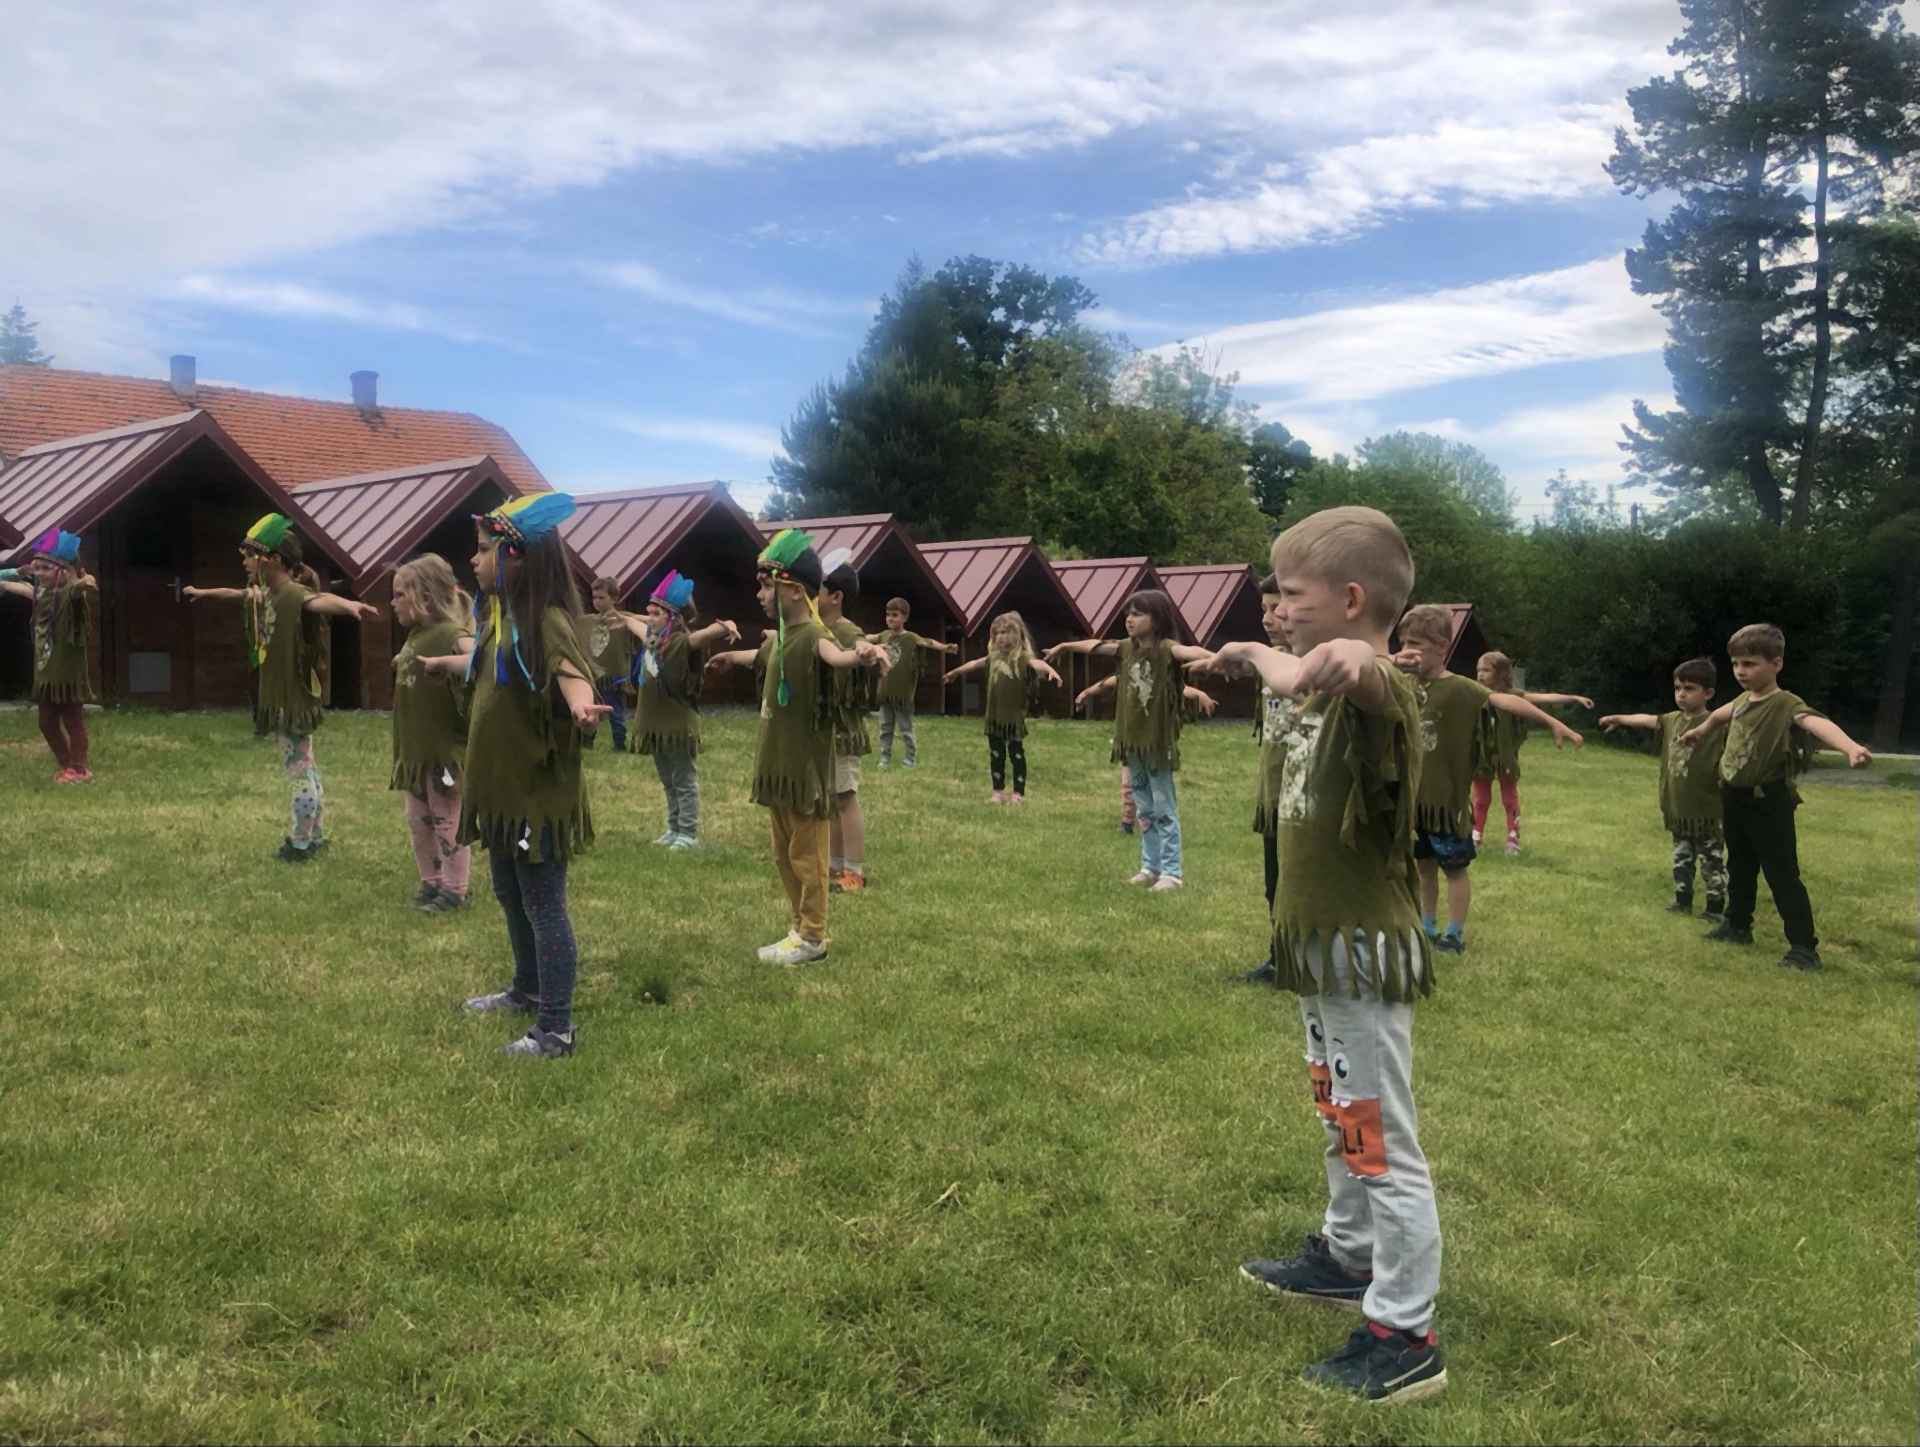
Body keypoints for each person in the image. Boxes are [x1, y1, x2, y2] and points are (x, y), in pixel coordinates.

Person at [1210, 505, 1447, 1405]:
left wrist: (1353, 657)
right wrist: (1252, 651)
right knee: (1341, 1112)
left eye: (1293, 594)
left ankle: (1407, 1332)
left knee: (1379, 1136)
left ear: (1351, 599)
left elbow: (1366, 673)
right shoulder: (1308, 677)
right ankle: (1349, 1256)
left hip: (1360, 950)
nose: (1280, 609)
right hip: (1322, 950)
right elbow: (1289, 669)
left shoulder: (1383, 688)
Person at [418, 493, 608, 1058]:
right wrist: (441, 663)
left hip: (536, 792)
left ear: (517, 557)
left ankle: (556, 1028)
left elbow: (570, 671)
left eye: (483, 550)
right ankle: (527, 989)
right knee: (508, 891)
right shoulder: (498, 620)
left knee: (543, 904)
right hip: (502, 791)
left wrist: (580, 705)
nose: (473, 560)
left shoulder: (547, 620)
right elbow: (485, 665)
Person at [1679, 623, 1873, 971]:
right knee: (1739, 865)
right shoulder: (1742, 700)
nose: (1741, 671)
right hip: (1734, 797)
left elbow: (1815, 722)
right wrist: (1701, 730)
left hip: (1768, 801)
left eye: (1750, 664)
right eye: (1736, 664)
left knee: (1781, 873)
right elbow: (1720, 715)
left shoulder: (1785, 703)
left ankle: (1803, 948)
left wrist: (1850, 747)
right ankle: (1737, 926)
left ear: (1776, 664)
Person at [1391, 604, 1583, 952]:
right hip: (1415, 800)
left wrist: (1554, 722)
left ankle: (1453, 934)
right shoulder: (1401, 682)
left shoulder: (1462, 688)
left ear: (1442, 647)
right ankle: (1426, 926)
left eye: (1415, 644)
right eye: (1403, 643)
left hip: (1446, 805)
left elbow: (1507, 702)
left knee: (1454, 869)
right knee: (1423, 868)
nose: (1407, 651)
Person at [739, 529, 890, 966]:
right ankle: (798, 928)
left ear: (793, 590)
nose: (760, 595)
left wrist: (861, 654)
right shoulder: (782, 637)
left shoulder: (811, 635)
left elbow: (836, 655)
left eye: (766, 585)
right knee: (785, 856)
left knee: (807, 857)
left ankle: (813, 937)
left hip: (804, 771)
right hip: (779, 767)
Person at [1049, 590, 1217, 890]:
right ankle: (1150, 867)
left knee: (1163, 809)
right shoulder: (1125, 649)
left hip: (1157, 744)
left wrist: (1220, 659)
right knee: (1144, 809)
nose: (1130, 619)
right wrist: (1065, 645)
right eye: (1128, 613)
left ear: (1158, 619)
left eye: (1138, 614)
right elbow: (1095, 646)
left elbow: (1191, 652)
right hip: (1132, 743)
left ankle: (1172, 873)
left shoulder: (1167, 650)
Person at [237, 514, 379, 862]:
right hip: (288, 697)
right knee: (306, 766)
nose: (245, 562)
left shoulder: (291, 593)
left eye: (250, 555)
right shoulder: (272, 594)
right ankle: (314, 835)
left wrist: (348, 605)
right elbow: (238, 595)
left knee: (298, 771)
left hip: (291, 700)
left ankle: (301, 842)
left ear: (272, 559)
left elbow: (316, 601)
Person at [1598, 657, 1728, 922]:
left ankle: (1714, 908)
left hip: (1707, 809)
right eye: (1678, 688)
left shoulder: (1717, 724)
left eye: (1689, 688)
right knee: (1682, 856)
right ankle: (1682, 900)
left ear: (1708, 693)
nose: (1681, 694)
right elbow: (1647, 720)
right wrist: (1619, 718)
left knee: (1711, 860)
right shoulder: (1671, 720)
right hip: (1678, 807)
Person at [619, 571, 738, 849]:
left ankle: (688, 832)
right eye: (649, 613)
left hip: (677, 726)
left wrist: (726, 626)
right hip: (655, 725)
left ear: (673, 618)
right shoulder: (651, 639)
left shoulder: (681, 643)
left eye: (657, 614)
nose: (650, 618)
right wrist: (619, 616)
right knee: (668, 780)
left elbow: (705, 635)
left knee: (683, 780)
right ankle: (673, 828)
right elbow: (632, 621)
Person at [389, 554, 474, 912]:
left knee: (445, 819)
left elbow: (480, 659)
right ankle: (431, 882)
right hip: (416, 751)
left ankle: (455, 890)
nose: (393, 603)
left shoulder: (451, 634)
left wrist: (447, 663)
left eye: (399, 595)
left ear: (424, 597)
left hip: (442, 751)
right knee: (418, 821)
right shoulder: (416, 635)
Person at [1468, 651, 1594, 854]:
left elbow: (1546, 697)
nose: (1480, 674)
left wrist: (1574, 698)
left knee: (1509, 798)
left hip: (1506, 757)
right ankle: (1475, 837)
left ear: (1501, 673)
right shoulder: (1472, 693)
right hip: (1481, 756)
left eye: (1486, 670)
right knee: (1481, 799)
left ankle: (1513, 838)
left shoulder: (1514, 696)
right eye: (1478, 670)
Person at [1, 530, 98, 782]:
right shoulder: (42, 595)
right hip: (47, 671)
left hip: (66, 672)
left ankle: (79, 769)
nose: (40, 574)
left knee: (72, 719)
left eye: (46, 568)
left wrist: (84, 581)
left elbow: (81, 587)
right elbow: (15, 586)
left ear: (64, 571)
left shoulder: (70, 595)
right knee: (46, 722)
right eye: (38, 569)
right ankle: (68, 766)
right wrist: (13, 574)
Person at [1234, 572, 1293, 984]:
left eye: (1277, 609)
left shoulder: (1317, 664)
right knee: (1275, 884)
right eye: (1264, 609)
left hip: (1305, 801)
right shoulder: (1272, 660)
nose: (1268, 618)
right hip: (1274, 795)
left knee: (1301, 885)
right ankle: (1280, 959)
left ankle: (1310, 962)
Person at [941, 610, 1062, 804]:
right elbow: (973, 664)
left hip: (1013, 719)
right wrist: (955, 673)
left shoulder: (1022, 658)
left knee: (1016, 755)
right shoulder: (993, 658)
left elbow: (1038, 663)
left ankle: (1018, 793)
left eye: (1006, 632)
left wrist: (1051, 671)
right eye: (997, 633)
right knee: (996, 756)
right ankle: (997, 792)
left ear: (1017, 635)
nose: (1001, 637)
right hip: (994, 717)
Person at [818, 558, 878, 891]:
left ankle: (854, 871)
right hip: (824, 731)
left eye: (816, 590)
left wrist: (869, 651)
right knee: (831, 800)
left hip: (843, 731)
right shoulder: (817, 631)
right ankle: (834, 865)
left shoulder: (848, 631)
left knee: (845, 798)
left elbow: (862, 647)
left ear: (835, 597)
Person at [181, 549, 272, 735]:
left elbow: (233, 593)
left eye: (248, 558)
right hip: (259, 649)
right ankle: (263, 728)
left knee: (265, 687)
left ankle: (276, 727)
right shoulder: (256, 587)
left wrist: (202, 592)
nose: (244, 563)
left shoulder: (271, 590)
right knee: (256, 685)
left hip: (274, 650)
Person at [866, 597, 955, 768]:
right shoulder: (884, 635)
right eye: (888, 615)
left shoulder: (911, 638)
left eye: (895, 615)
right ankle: (884, 758)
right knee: (885, 728)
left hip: (903, 695)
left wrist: (945, 647)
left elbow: (929, 642)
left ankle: (910, 759)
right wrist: (856, 637)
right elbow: (869, 637)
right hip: (885, 693)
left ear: (905, 617)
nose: (890, 618)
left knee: (905, 729)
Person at [578, 576, 638, 751]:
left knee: (615, 712)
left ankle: (619, 744)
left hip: (615, 678)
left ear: (614, 598)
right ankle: (587, 742)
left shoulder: (625, 620)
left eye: (601, 597)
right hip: (593, 677)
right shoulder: (588, 621)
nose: (596, 601)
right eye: (594, 597)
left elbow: (645, 625)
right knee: (590, 710)